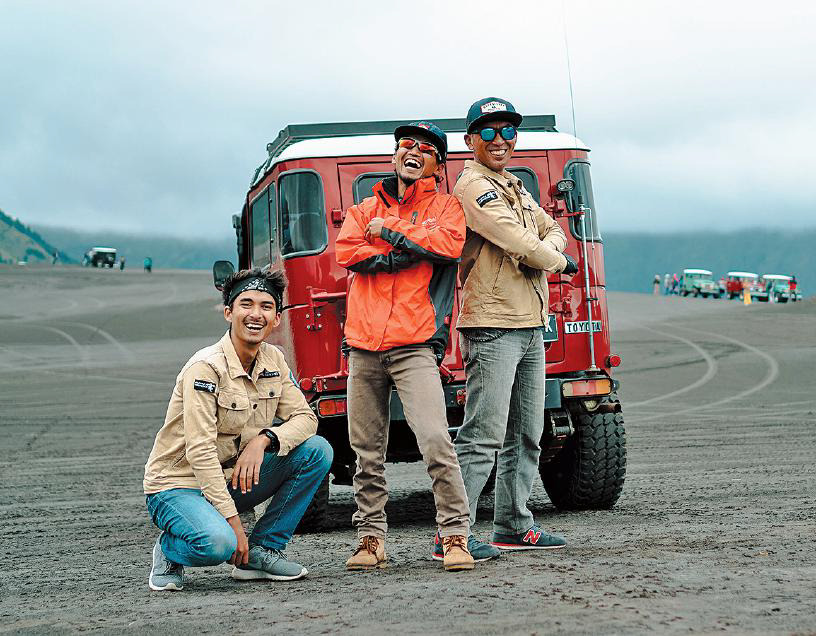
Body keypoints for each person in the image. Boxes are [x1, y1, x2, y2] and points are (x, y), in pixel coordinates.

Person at [335, 121, 476, 572]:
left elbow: (449, 244)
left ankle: (455, 536)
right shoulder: (362, 207)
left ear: (439, 162)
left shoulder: (447, 207)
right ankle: (370, 540)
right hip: (363, 345)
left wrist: (390, 232)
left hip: (414, 344)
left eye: (424, 148)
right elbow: (346, 251)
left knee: (435, 439)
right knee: (365, 449)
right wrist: (401, 253)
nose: (412, 151)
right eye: (405, 145)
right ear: (395, 155)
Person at [143, 268, 332, 591]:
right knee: (219, 544)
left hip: (229, 477)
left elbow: (306, 418)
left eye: (266, 306)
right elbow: (200, 450)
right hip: (178, 486)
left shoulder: (275, 359)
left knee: (317, 450)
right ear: (228, 312)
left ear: (276, 318)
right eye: (246, 304)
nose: (255, 314)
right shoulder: (206, 367)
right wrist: (234, 525)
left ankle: (262, 552)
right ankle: (170, 549)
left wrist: (265, 439)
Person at [452, 97, 578, 552]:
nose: (500, 140)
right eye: (488, 132)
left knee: (527, 432)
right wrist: (559, 261)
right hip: (493, 325)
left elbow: (551, 226)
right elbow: (518, 239)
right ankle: (454, 534)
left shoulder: (514, 186)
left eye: (507, 131)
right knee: (482, 434)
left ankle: (512, 524)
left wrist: (552, 247)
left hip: (528, 324)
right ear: (471, 141)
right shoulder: (473, 186)